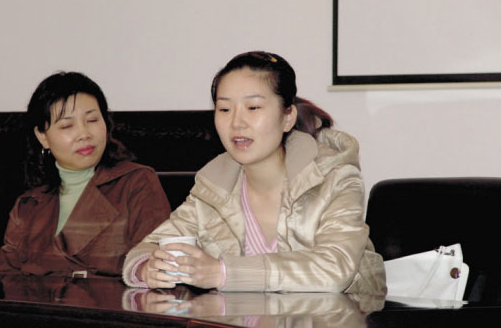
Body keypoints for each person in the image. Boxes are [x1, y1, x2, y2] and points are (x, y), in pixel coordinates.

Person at [122, 51, 386, 293]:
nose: (236, 123)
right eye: (224, 109)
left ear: (287, 117)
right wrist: (146, 268)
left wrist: (222, 273)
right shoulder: (214, 186)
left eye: (253, 108)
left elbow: (334, 269)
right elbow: (147, 248)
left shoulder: (334, 176)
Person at [0, 71, 171, 278]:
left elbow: (156, 265)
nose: (84, 134)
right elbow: (7, 280)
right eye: (67, 125)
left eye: (92, 120)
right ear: (42, 136)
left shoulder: (137, 183)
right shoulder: (28, 206)